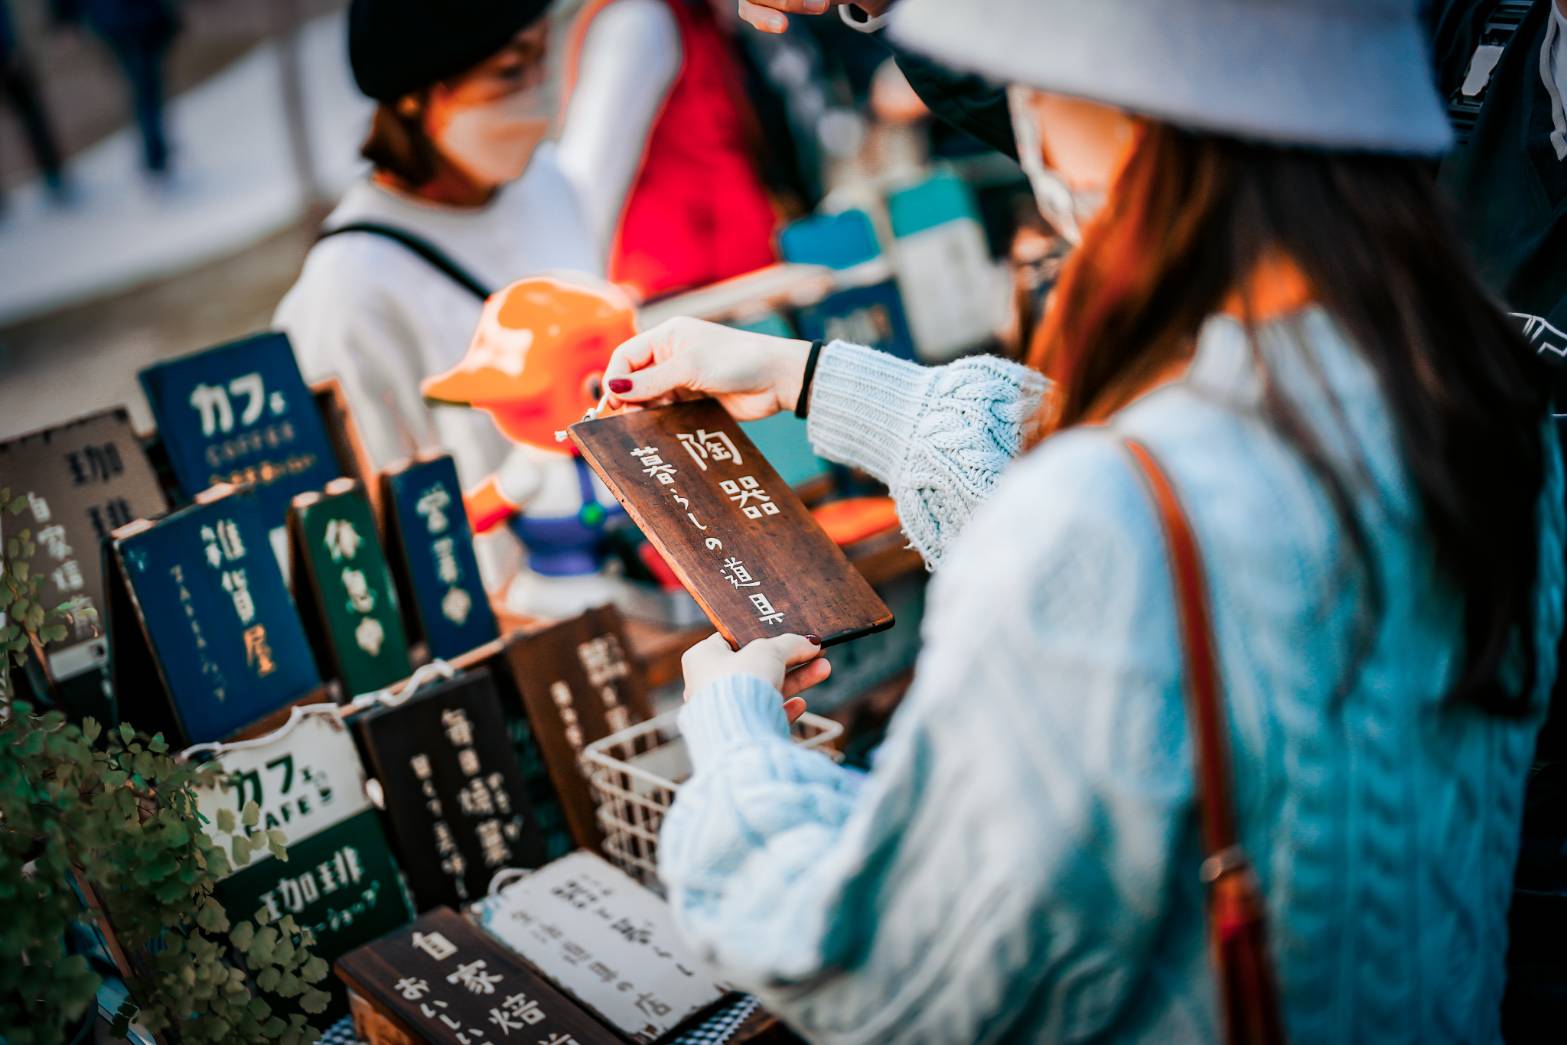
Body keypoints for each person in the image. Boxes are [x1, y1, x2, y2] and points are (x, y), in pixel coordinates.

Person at [601, 0, 1564, 1038]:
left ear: (1133, 121)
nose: (1029, 128)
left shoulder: (1117, 514)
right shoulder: (1475, 403)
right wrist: (806, 376)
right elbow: (1169, 582)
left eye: (1037, 89)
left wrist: (738, 737)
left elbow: (872, 963)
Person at [273, 0, 600, 496]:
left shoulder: (549, 184)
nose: (539, 88)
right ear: (415, 96)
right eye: (511, 70)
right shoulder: (348, 288)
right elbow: (380, 501)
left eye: (543, 57)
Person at [557, 0, 779, 300]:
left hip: (739, 286)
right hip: (682, 296)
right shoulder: (638, 22)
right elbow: (588, 179)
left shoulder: (705, 17)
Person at [58, 0, 179, 177]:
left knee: (143, 85)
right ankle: (155, 153)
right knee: (146, 85)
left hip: (117, 20)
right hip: (127, 19)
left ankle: (155, 150)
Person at [0, 0, 68, 209]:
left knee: (33, 118)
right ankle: (54, 176)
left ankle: (54, 175)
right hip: (7, 54)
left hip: (7, 57)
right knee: (33, 118)